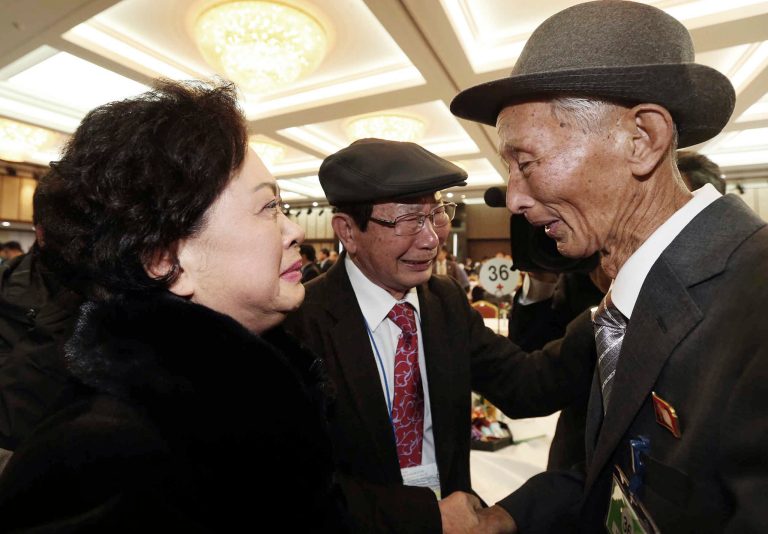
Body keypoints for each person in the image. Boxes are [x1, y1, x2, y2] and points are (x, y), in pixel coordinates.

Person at [451, 1, 767, 532]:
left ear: (641, 139)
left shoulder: (756, 304)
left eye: (526, 163)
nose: (513, 200)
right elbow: (621, 477)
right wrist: (507, 516)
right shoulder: (623, 304)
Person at [0, 79, 347, 532]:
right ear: (164, 259)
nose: (294, 231)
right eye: (268, 207)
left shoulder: (262, 391)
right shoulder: (106, 458)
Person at [284, 138, 598, 533]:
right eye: (408, 221)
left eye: (436, 215)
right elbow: (295, 485)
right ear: (348, 231)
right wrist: (425, 519)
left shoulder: (443, 301)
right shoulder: (299, 323)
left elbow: (525, 385)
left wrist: (608, 315)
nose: (431, 239)